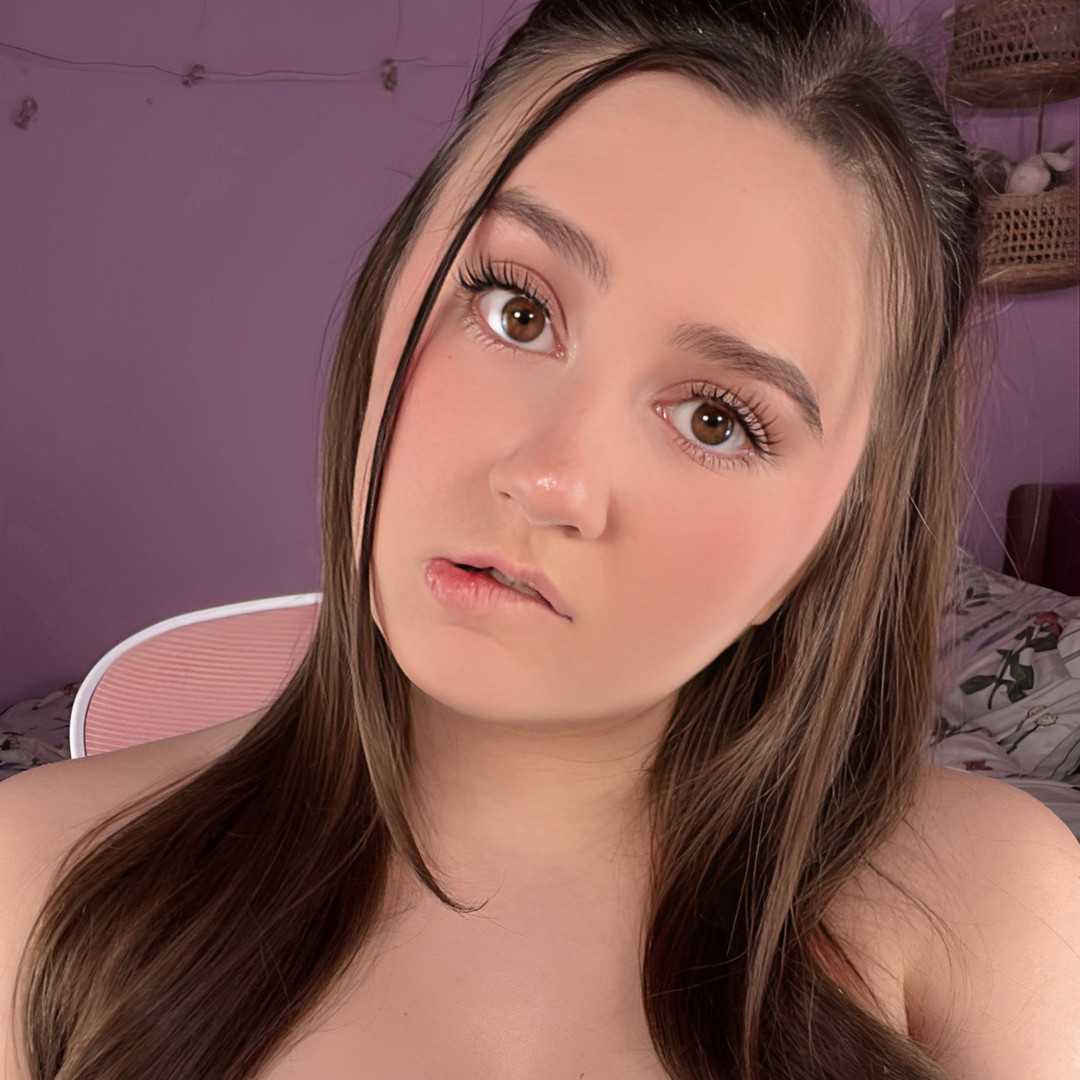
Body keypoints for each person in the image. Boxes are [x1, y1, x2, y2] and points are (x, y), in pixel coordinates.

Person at [2, 0, 1079, 1077]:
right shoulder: (33, 883)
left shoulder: (989, 909)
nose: (549, 477)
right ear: (391, 284)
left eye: (717, 420)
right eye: (515, 310)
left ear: (835, 534)